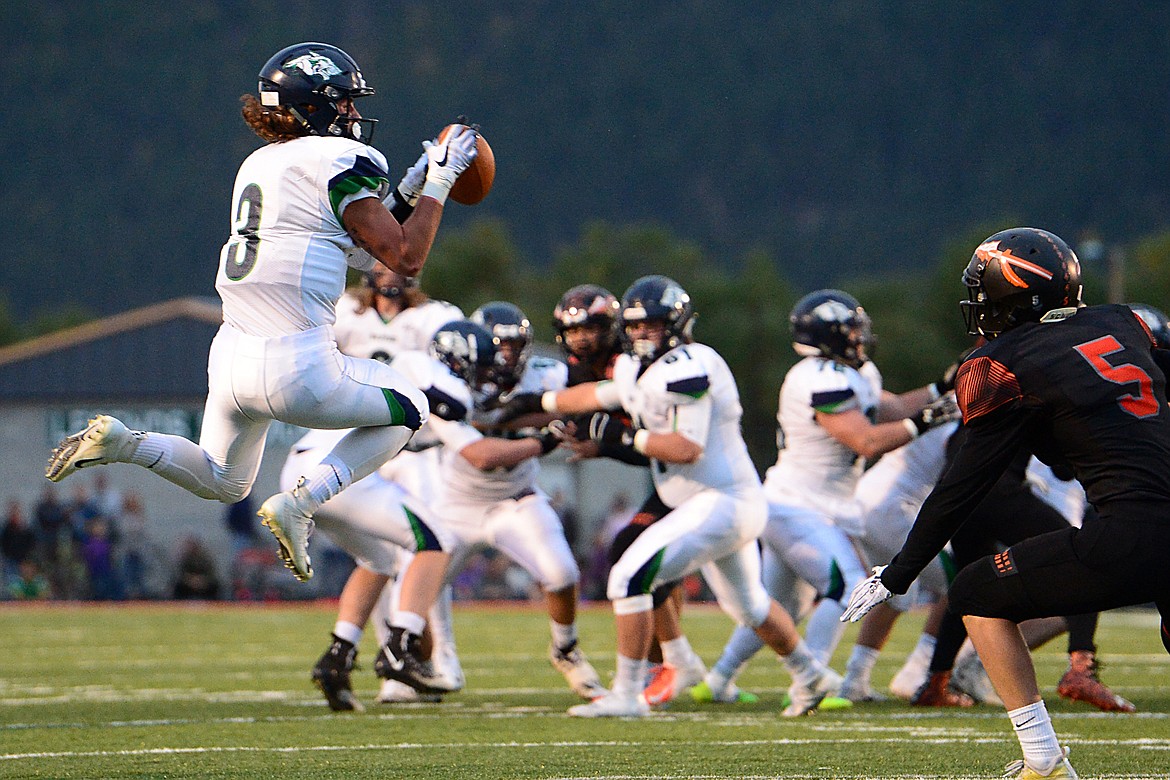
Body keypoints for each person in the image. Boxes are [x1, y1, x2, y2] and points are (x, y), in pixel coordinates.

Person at [43, 42, 479, 584]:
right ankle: (302, 503)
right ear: (313, 106)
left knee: (225, 481)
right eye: (341, 102)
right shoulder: (342, 159)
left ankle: (127, 443)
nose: (351, 113)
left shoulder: (261, 163)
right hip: (298, 363)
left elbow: (363, 250)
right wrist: (439, 181)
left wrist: (413, 186)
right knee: (411, 405)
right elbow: (404, 259)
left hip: (231, 357)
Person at [843, 226, 1170, 779]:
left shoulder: (1003, 362)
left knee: (974, 590)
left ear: (1011, 293)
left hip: (1133, 531)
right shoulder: (1123, 322)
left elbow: (964, 484)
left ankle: (1042, 760)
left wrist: (899, 573)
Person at [510, 275, 840, 718]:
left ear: (679, 324)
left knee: (628, 577)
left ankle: (628, 694)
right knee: (751, 605)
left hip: (723, 499)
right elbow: (599, 393)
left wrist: (623, 438)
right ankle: (812, 676)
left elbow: (687, 448)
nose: (642, 334)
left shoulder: (691, 364)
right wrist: (543, 401)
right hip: (706, 500)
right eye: (635, 326)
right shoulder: (637, 366)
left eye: (653, 325)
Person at [696, 289, 959, 706]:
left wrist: (939, 390)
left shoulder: (854, 373)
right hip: (797, 506)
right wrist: (925, 423)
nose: (861, 336)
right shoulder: (818, 377)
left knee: (778, 605)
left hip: (811, 506)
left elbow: (887, 409)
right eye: (853, 329)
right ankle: (811, 681)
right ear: (831, 337)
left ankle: (718, 680)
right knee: (849, 587)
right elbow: (866, 440)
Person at [295, 320, 493, 710]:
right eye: (482, 366)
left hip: (306, 463)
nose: (484, 376)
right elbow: (457, 411)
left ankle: (338, 656)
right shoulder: (421, 366)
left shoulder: (407, 368)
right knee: (437, 542)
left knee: (379, 559)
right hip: (338, 466)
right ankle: (400, 648)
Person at [431, 301, 604, 700]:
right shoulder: (449, 382)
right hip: (454, 504)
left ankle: (565, 648)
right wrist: (539, 431)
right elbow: (485, 446)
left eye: (512, 346)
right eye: (497, 345)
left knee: (561, 573)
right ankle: (430, 660)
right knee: (416, 588)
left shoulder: (548, 373)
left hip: (516, 498)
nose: (504, 355)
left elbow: (588, 399)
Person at [551, 283, 704, 705]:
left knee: (636, 559)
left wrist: (612, 439)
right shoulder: (589, 370)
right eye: (573, 329)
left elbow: (667, 443)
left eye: (592, 327)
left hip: (695, 475)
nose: (581, 337)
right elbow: (580, 406)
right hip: (672, 475)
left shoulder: (635, 363)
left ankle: (674, 665)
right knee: (657, 571)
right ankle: (689, 669)